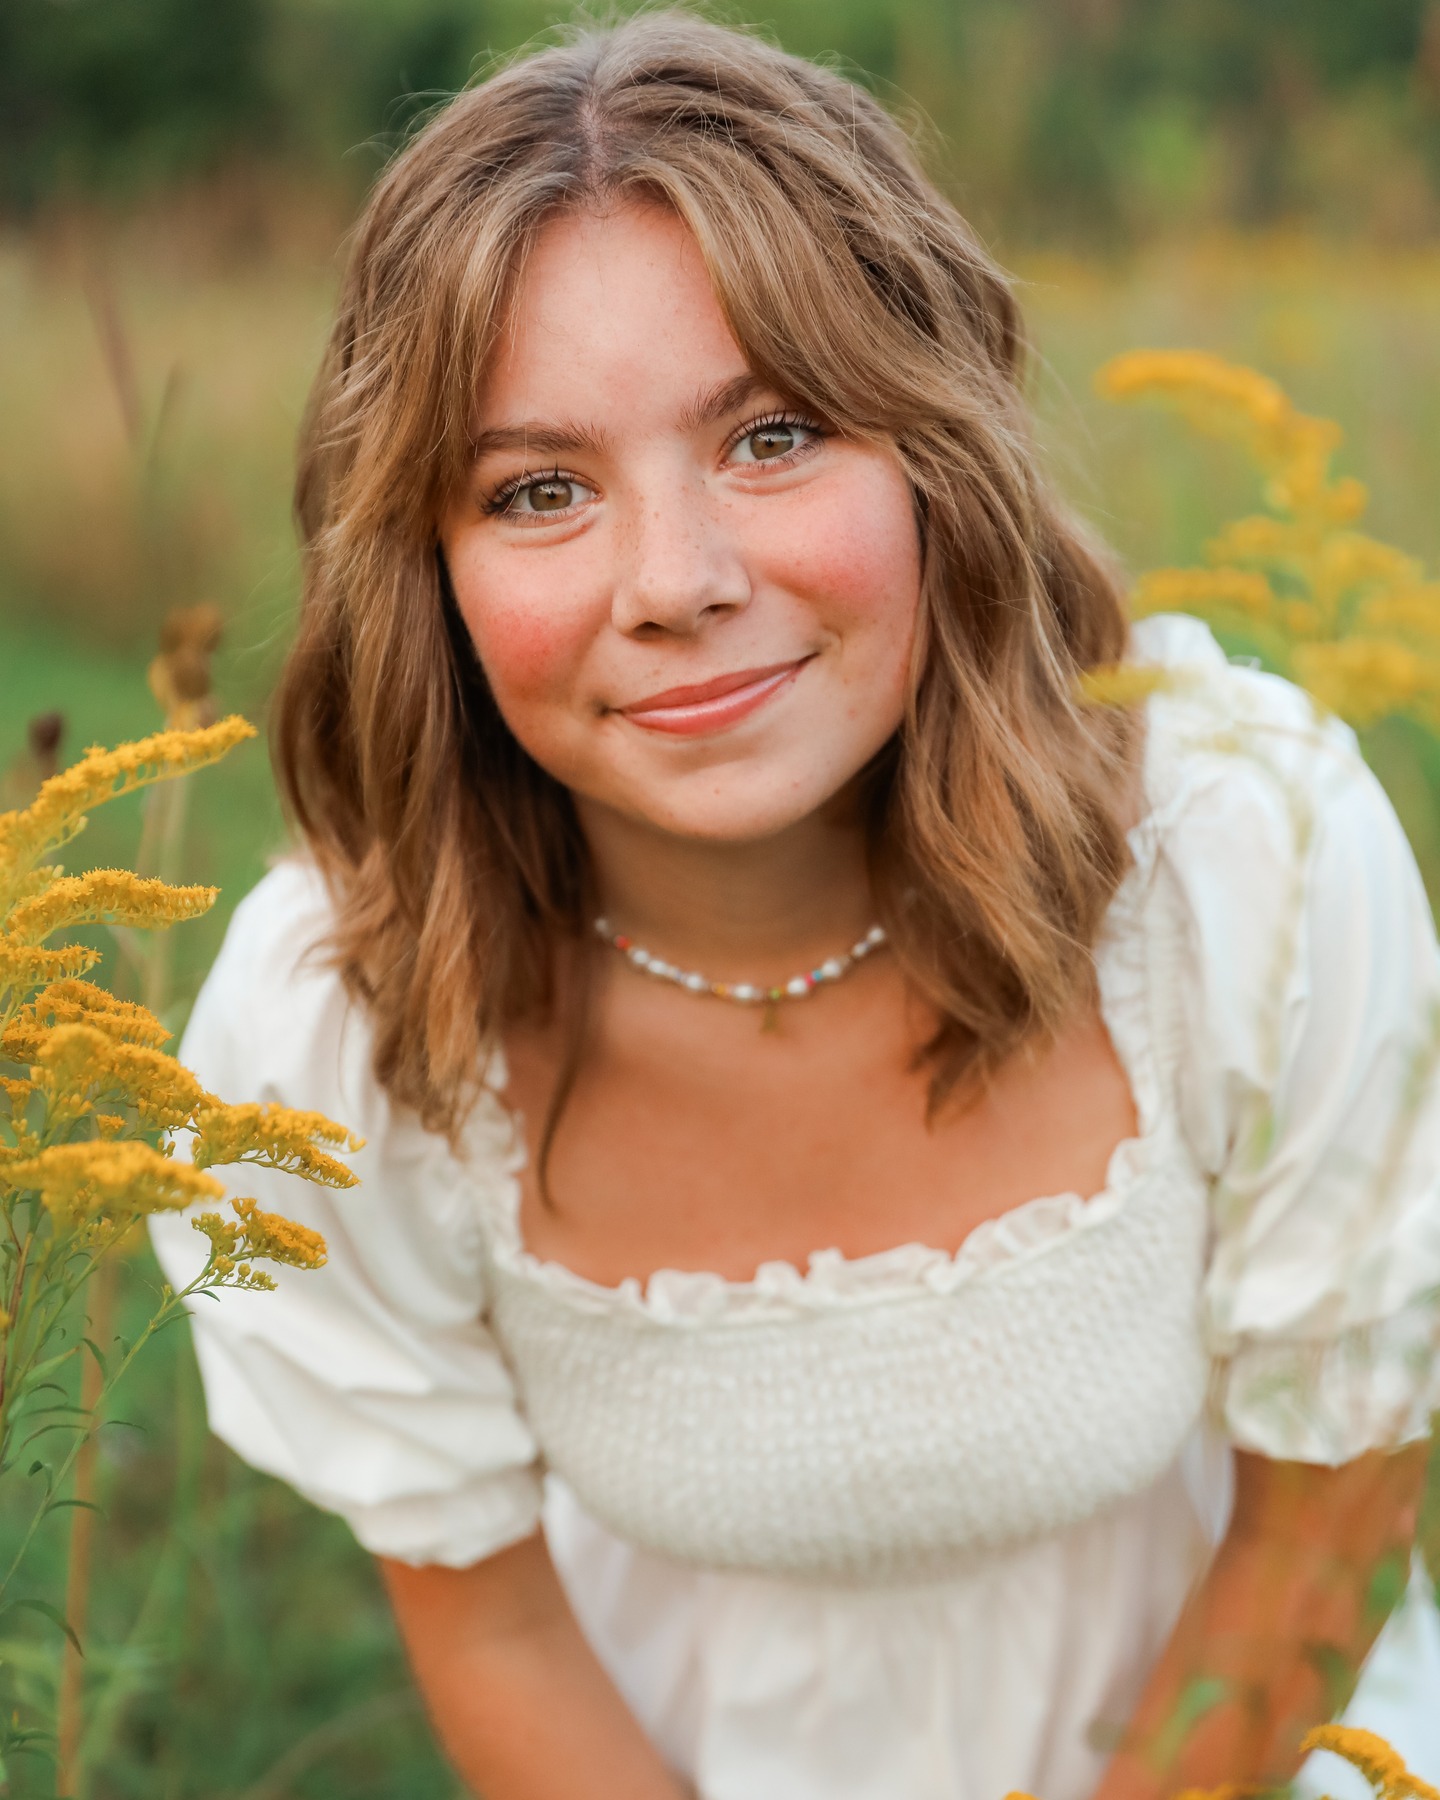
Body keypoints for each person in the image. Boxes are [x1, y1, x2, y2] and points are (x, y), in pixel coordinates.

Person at [149, 15, 1440, 1800]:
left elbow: (1338, 1510)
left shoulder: (1249, 860)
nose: (676, 582)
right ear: (423, 568)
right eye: (540, 489)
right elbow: (498, 1632)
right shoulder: (331, 1035)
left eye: (772, 434)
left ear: (936, 453)